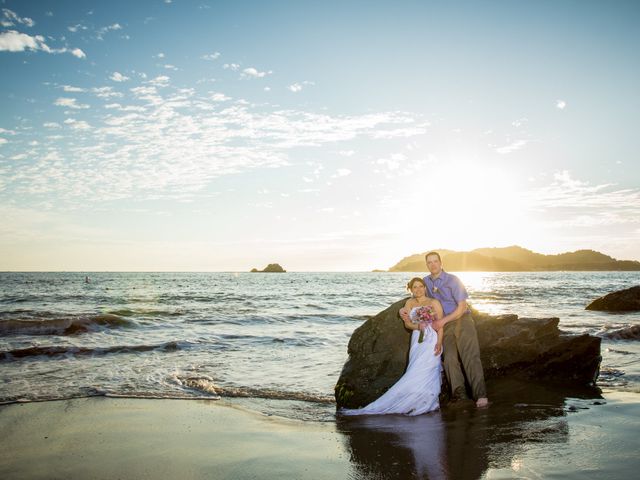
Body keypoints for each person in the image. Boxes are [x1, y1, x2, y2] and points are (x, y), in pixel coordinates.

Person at [340, 278, 444, 416]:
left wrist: (439, 342)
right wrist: (418, 326)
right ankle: (413, 400)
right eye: (415, 287)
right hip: (417, 339)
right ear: (411, 289)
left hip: (431, 339)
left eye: (420, 286)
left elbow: (441, 324)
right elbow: (407, 324)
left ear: (425, 288)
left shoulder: (434, 302)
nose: (418, 289)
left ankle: (428, 400)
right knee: (415, 369)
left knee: (430, 369)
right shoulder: (409, 303)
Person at [423, 251, 489, 408]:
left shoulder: (453, 280)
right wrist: (403, 310)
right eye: (429, 262)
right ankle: (459, 395)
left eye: (435, 261)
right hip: (445, 325)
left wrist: (442, 321)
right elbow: (417, 297)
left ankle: (481, 395)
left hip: (462, 319)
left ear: (441, 263)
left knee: (470, 356)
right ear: (427, 265)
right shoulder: (425, 281)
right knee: (450, 358)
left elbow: (462, 307)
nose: (433, 265)